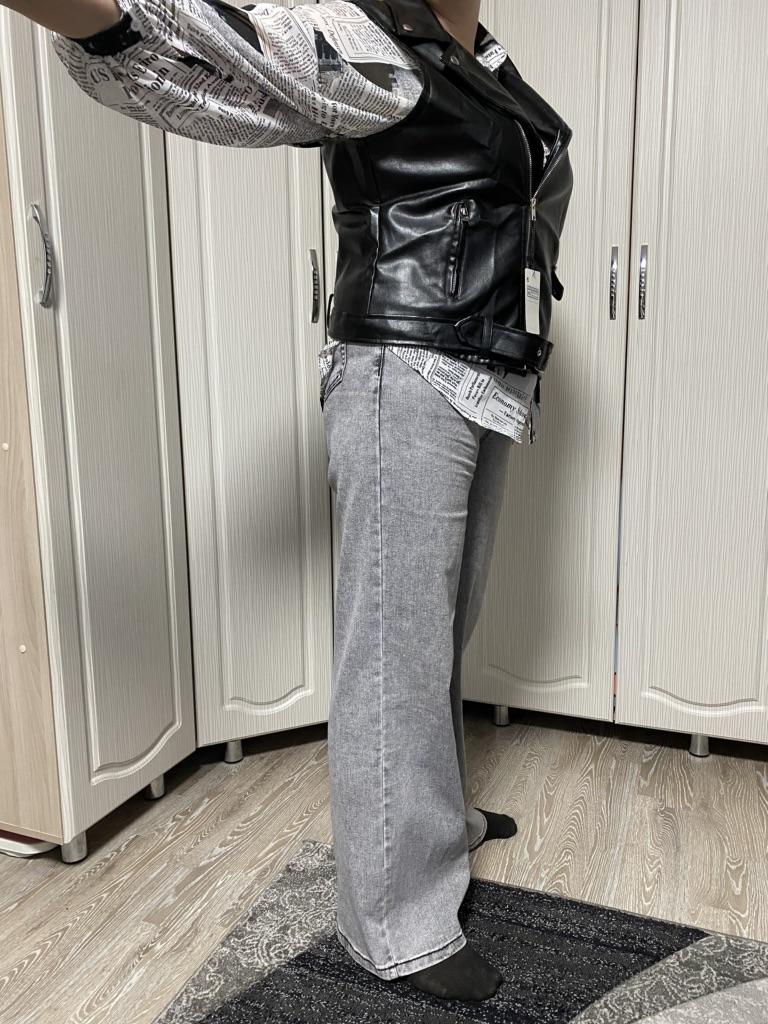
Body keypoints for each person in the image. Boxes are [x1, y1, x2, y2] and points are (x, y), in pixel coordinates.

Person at [2, 0, 573, 1002]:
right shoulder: (373, 41)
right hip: (408, 371)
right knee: (393, 648)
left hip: (485, 373)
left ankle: (431, 825)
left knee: (435, 632)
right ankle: (395, 923)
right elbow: (224, 58)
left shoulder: (483, 63)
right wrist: (106, 24)